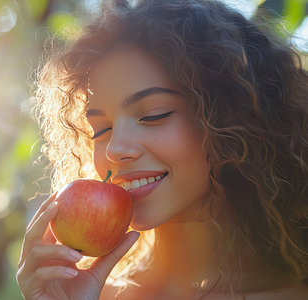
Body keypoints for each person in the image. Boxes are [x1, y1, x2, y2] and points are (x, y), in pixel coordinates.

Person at [16, 0, 308, 299]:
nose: (115, 149)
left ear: (231, 116)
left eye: (154, 115)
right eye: (101, 129)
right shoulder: (86, 294)